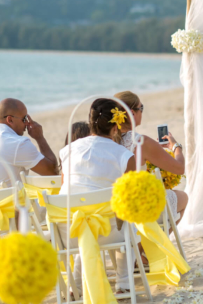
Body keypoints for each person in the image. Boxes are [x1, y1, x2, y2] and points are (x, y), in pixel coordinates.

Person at [59, 98, 136, 293]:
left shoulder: (67, 151)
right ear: (116, 126)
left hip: (68, 233)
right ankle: (124, 284)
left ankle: (75, 286)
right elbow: (128, 199)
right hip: (109, 234)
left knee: (82, 218)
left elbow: (65, 187)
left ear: (90, 122)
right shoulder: (124, 156)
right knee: (128, 220)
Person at [114, 90, 188, 223]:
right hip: (136, 211)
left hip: (111, 211)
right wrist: (176, 148)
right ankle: (146, 244)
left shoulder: (104, 142)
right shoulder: (141, 142)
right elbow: (180, 168)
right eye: (141, 108)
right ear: (132, 113)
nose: (142, 112)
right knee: (183, 197)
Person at [0, 98, 58, 186]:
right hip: (10, 199)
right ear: (10, 120)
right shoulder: (18, 144)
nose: (27, 123)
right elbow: (53, 173)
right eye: (24, 119)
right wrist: (40, 138)